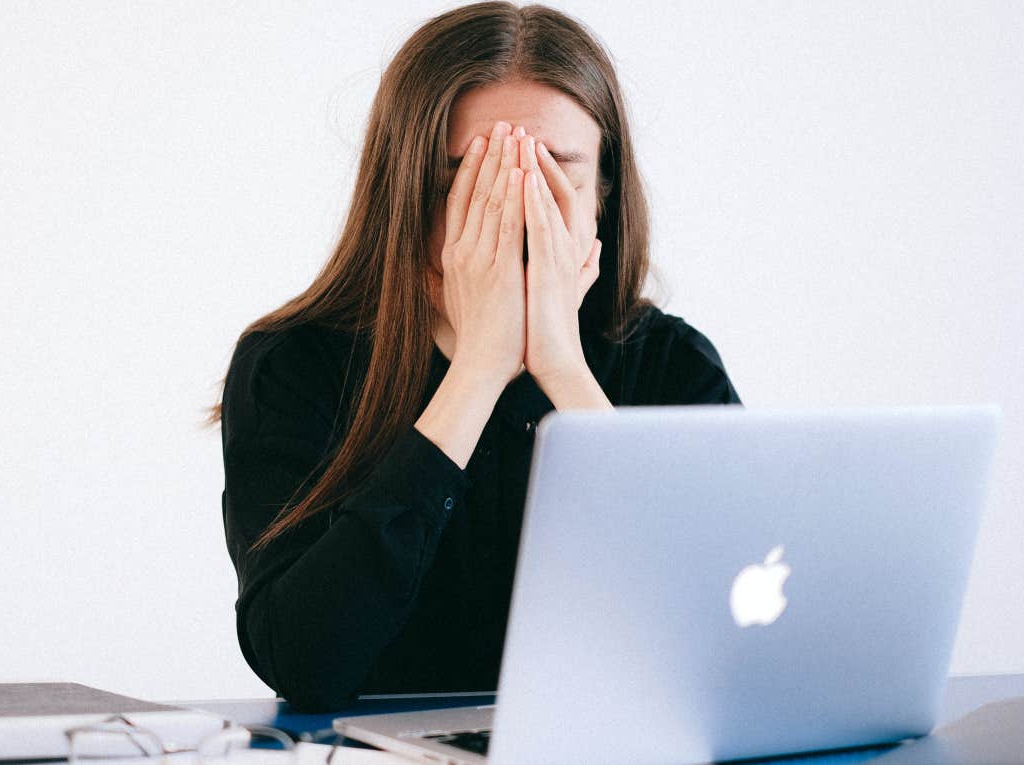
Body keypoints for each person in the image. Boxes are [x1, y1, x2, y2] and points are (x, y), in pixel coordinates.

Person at [205, 1, 741, 713]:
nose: (515, 212)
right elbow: (305, 661)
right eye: (472, 178)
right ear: (407, 194)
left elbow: (724, 635)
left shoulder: (672, 364)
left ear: (603, 195)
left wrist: (562, 368)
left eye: (554, 176)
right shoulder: (292, 367)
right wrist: (478, 372)